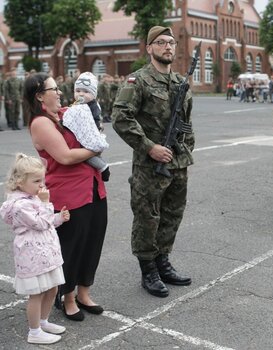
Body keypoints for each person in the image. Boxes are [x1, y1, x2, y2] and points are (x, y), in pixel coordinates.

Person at [112, 26, 193, 298]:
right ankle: (148, 269)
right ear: (149, 48)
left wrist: (186, 148)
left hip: (178, 163)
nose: (167, 47)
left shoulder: (181, 82)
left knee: (172, 214)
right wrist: (150, 148)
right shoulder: (139, 81)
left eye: (171, 43)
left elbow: (186, 124)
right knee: (148, 217)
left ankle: (163, 262)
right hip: (150, 166)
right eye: (161, 43)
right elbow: (121, 118)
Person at [24, 73, 108, 321]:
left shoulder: (65, 114)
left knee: (93, 241)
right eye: (54, 89)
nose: (60, 92)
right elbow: (65, 156)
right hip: (69, 194)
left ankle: (84, 293)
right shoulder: (40, 123)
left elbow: (91, 123)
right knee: (72, 247)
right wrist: (97, 146)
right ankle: (68, 297)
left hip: (93, 186)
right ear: (40, 96)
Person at [0, 153, 70, 345]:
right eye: (36, 180)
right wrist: (47, 204)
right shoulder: (20, 205)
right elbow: (40, 223)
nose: (42, 184)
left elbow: (47, 223)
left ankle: (43, 321)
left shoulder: (32, 197)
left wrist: (59, 218)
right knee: (37, 293)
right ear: (20, 182)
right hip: (33, 256)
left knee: (52, 288)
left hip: (46, 253)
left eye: (43, 179)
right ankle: (34, 331)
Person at [62, 71, 110, 181]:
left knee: (86, 154)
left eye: (86, 91)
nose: (81, 94)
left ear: (94, 94)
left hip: (89, 135)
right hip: (83, 134)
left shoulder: (91, 106)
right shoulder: (78, 104)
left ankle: (103, 167)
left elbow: (94, 121)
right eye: (78, 91)